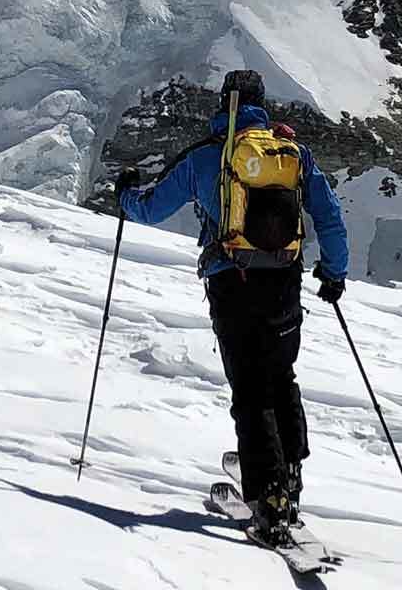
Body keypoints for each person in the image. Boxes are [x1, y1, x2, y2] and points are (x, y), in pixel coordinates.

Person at [116, 69, 349, 546]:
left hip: (232, 282)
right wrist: (334, 272)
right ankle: (289, 475)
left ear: (223, 104)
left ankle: (269, 500)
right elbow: (328, 213)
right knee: (280, 377)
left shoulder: (209, 157)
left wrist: (124, 193)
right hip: (284, 280)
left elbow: (151, 207)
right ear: (263, 106)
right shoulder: (293, 155)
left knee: (249, 388)